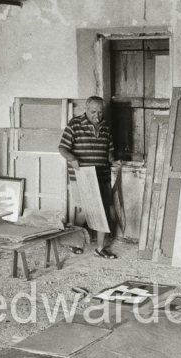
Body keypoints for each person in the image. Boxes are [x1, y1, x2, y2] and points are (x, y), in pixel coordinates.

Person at [58, 96, 117, 259]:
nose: (97, 116)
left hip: (102, 176)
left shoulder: (105, 126)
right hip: (83, 176)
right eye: (93, 112)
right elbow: (62, 148)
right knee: (85, 211)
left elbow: (109, 150)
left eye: (100, 112)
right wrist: (72, 158)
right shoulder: (74, 124)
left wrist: (114, 160)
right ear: (86, 108)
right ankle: (72, 241)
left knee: (103, 211)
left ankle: (100, 248)